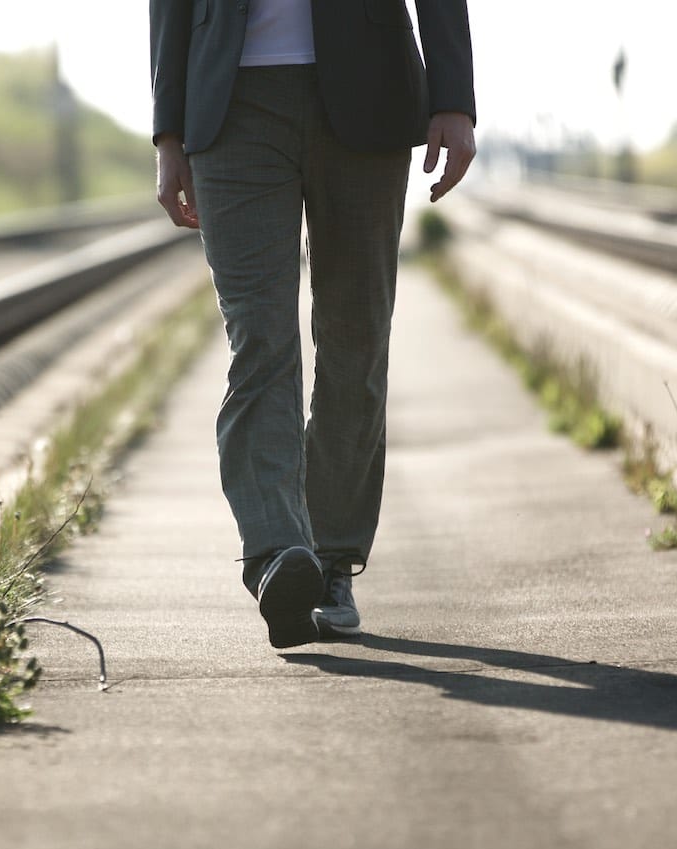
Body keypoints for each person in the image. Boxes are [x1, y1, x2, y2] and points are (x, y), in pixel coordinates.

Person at [150, 0, 476, 648]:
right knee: (260, 340)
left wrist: (455, 97)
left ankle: (330, 561)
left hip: (367, 88)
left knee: (355, 345)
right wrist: (167, 132)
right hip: (230, 100)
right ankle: (277, 554)